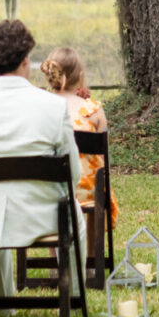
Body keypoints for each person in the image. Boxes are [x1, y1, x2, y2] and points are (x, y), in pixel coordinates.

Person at [0, 20, 83, 298]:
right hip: (45, 217)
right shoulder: (53, 107)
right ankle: (73, 296)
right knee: (76, 215)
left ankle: (3, 299)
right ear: (24, 61)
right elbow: (73, 174)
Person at [41, 46, 118, 226]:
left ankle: (56, 253)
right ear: (80, 76)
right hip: (88, 190)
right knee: (97, 184)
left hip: (51, 190)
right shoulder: (93, 110)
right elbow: (103, 155)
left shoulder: (43, 109)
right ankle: (92, 253)